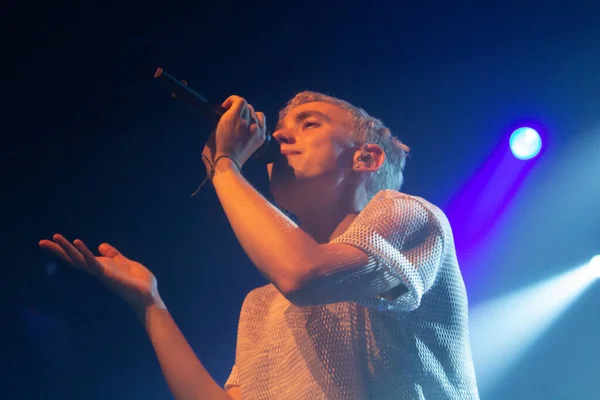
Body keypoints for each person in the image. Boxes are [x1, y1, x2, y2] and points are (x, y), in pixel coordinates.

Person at [40, 91, 480, 399]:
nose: (282, 137)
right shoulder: (262, 306)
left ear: (366, 158)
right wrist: (150, 305)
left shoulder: (410, 215)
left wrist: (227, 168)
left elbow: (303, 274)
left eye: (309, 124)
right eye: (283, 127)